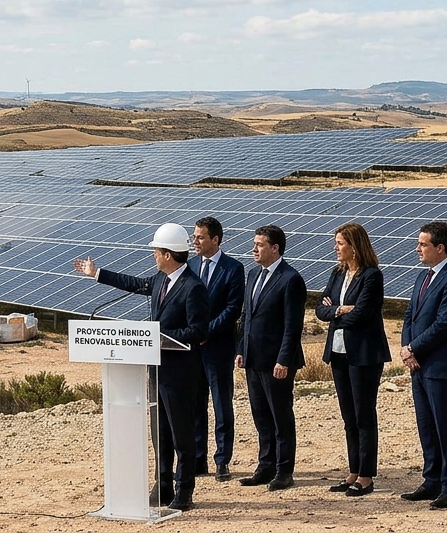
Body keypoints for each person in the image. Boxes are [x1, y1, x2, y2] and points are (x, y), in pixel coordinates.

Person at [74, 223, 207, 512]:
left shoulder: (193, 287)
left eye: (156, 252)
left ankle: (184, 491)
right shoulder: (161, 279)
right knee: (159, 432)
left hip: (180, 372)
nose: (153, 257)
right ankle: (162, 486)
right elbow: (134, 284)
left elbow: (197, 331)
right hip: (157, 371)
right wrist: (97, 274)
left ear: (169, 255)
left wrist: (160, 339)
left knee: (181, 434)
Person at [314, 223, 390, 498]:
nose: (336, 248)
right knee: (349, 416)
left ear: (354, 247)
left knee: (363, 414)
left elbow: (365, 314)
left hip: (364, 354)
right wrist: (338, 310)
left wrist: (336, 312)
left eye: (340, 243)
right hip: (339, 352)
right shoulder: (338, 273)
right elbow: (319, 310)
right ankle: (353, 471)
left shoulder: (372, 276)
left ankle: (367, 475)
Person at [399, 221, 447, 510]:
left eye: (423, 244)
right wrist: (406, 348)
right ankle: (432, 481)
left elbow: (444, 324)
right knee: (426, 425)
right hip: (419, 365)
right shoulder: (422, 277)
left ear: (440, 247)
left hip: (441, 365)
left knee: (445, 426)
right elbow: (409, 315)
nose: (417, 249)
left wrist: (413, 347)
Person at [235, 224, 305, 491]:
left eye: (260, 244)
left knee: (280, 416)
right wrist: (241, 349)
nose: (254, 249)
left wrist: (284, 360)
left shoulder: (290, 279)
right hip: (253, 359)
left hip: (277, 361)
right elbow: (247, 317)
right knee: (260, 415)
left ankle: (284, 470)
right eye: (255, 243)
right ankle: (265, 466)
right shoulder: (253, 274)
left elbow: (292, 326)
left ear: (275, 248)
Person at [188, 217, 244, 482]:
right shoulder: (190, 265)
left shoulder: (233, 269)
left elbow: (233, 309)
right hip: (192, 350)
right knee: (196, 405)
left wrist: (206, 332)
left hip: (218, 347)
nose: (194, 241)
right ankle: (199, 458)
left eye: (200, 237)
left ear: (215, 240)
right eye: (194, 236)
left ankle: (222, 460)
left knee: (222, 405)